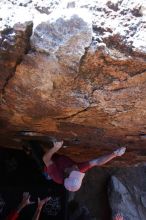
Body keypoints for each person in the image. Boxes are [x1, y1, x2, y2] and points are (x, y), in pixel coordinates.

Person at [23, 135, 126, 192]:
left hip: (46, 166)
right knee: (52, 155)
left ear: (67, 174)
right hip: (58, 159)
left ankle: (28, 151)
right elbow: (97, 161)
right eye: (78, 173)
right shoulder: (79, 169)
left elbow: (46, 159)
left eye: (75, 172)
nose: (77, 169)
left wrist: (55, 148)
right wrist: (115, 154)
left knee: (34, 146)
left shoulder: (57, 176)